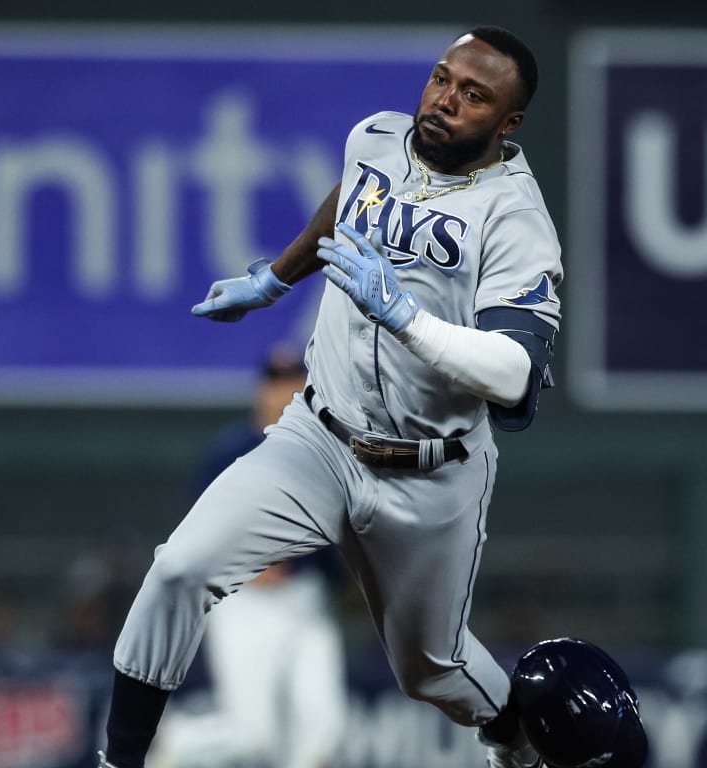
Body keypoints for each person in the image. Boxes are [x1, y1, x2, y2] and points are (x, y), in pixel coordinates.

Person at [101, 25, 560, 768]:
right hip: (317, 438)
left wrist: (408, 320)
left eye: (474, 96)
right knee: (179, 569)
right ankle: (117, 761)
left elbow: (514, 371)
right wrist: (275, 277)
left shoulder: (515, 219)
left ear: (507, 124)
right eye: (443, 78)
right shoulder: (377, 137)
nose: (446, 100)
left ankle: (512, 737)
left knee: (430, 670)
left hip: (429, 473)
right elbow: (352, 197)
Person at [149, 347, 348, 768]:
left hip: (304, 599)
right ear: (260, 391)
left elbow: (335, 538)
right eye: (276, 383)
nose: (285, 392)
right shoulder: (229, 451)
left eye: (294, 381)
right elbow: (199, 536)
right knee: (253, 737)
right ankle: (179, 740)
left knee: (324, 728)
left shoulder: (326, 448)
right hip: (243, 601)